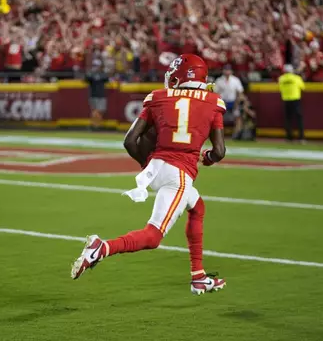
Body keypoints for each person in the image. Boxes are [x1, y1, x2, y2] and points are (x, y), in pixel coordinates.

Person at [71, 54, 227, 295]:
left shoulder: (157, 97)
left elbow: (130, 141)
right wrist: (207, 158)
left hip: (156, 168)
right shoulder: (213, 101)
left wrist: (150, 165)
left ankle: (198, 276)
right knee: (153, 236)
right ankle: (101, 248)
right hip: (179, 174)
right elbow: (219, 151)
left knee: (198, 207)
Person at [213, 64, 244, 139]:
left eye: (228, 70)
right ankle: (218, 135)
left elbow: (240, 93)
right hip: (222, 103)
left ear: (231, 71)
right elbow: (215, 93)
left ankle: (236, 135)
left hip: (233, 102)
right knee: (217, 118)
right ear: (223, 71)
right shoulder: (219, 80)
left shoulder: (235, 80)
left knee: (238, 118)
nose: (227, 71)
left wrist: (236, 103)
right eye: (226, 70)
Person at [278, 64, 306, 142]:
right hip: (295, 99)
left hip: (286, 100)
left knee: (288, 119)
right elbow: (303, 87)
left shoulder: (281, 79)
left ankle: (289, 137)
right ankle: (301, 137)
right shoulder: (297, 78)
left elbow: (280, 88)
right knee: (299, 119)